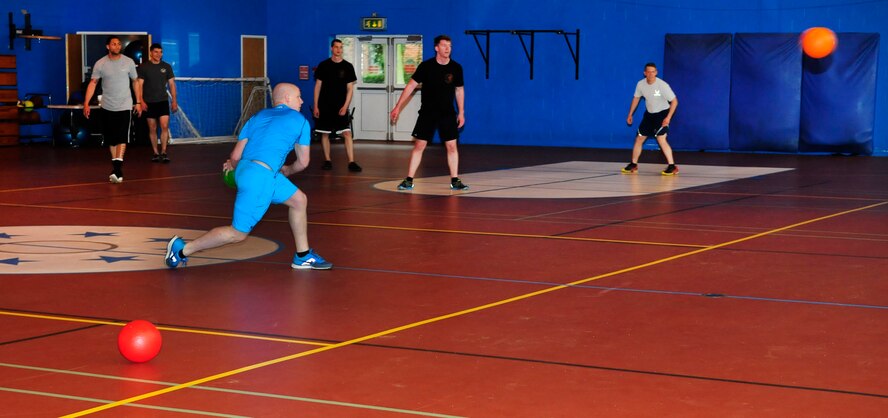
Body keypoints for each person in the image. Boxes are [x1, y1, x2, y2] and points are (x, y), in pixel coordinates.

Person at [164, 83, 332, 270]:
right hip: (261, 178)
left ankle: (303, 255)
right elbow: (303, 162)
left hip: (246, 170)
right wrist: (288, 170)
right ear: (287, 98)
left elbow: (235, 157)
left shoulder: (257, 116)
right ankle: (181, 250)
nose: (302, 101)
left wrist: (232, 167)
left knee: (299, 200)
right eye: (299, 96)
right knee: (237, 233)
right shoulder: (300, 121)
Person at [390, 34, 467, 191]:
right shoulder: (426, 67)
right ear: (436, 48)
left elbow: (459, 90)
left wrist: (461, 112)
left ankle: (455, 180)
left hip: (447, 114)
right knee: (419, 145)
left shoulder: (456, 68)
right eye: (444, 45)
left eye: (450, 46)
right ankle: (409, 180)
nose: (448, 48)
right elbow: (410, 86)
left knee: (452, 146)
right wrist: (398, 106)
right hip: (428, 113)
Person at [83, 35, 143, 183]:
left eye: (119, 44)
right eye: (114, 44)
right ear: (108, 46)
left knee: (122, 137)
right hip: (107, 106)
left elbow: (136, 82)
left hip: (125, 105)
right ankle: (116, 168)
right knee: (111, 139)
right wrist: (86, 103)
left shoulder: (128, 62)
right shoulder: (100, 64)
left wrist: (139, 102)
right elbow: (93, 83)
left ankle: (117, 169)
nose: (117, 46)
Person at [623, 62, 679, 176]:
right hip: (649, 115)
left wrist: (668, 117)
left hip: (662, 114)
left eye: (653, 71)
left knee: (661, 139)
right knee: (639, 139)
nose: (650, 74)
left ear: (656, 73)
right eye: (648, 71)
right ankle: (633, 164)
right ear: (645, 73)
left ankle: (672, 166)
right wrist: (630, 114)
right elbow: (636, 98)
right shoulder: (640, 84)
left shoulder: (662, 85)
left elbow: (674, 101)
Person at [313, 39, 361, 172]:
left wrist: (345, 106)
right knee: (324, 134)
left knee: (346, 133)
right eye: (336, 47)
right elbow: (317, 86)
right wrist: (316, 106)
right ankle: (327, 160)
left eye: (341, 47)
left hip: (340, 107)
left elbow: (350, 89)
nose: (339, 50)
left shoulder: (348, 67)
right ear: (331, 49)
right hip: (324, 106)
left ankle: (351, 162)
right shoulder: (323, 65)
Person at [138, 43, 178, 163]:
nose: (158, 54)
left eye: (160, 52)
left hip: (163, 101)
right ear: (151, 53)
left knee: (164, 126)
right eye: (156, 52)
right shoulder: (144, 67)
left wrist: (174, 101)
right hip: (149, 102)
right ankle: (155, 152)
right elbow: (139, 85)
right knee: (152, 128)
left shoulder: (167, 67)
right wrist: (141, 101)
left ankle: (164, 151)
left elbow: (171, 84)